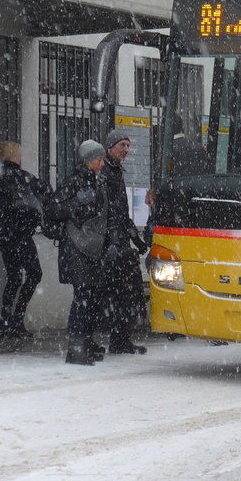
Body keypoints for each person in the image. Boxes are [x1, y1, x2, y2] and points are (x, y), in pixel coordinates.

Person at [53, 140, 110, 365]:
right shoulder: (73, 183)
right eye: (99, 159)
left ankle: (84, 343)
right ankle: (76, 348)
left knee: (91, 298)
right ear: (88, 161)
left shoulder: (96, 182)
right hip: (76, 248)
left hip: (91, 248)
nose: (103, 163)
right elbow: (53, 210)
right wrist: (76, 202)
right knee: (83, 297)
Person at [0, 141, 49, 340]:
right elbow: (46, 189)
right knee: (34, 274)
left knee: (14, 277)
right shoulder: (22, 177)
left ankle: (5, 322)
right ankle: (16, 320)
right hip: (21, 233)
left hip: (5, 234)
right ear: (15, 156)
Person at [98, 129, 149, 355]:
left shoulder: (116, 171)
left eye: (128, 146)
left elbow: (121, 213)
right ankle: (116, 339)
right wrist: (112, 240)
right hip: (112, 245)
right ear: (110, 148)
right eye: (122, 146)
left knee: (127, 293)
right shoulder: (105, 173)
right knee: (117, 293)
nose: (126, 150)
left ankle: (122, 339)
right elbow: (107, 213)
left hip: (120, 243)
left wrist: (135, 238)